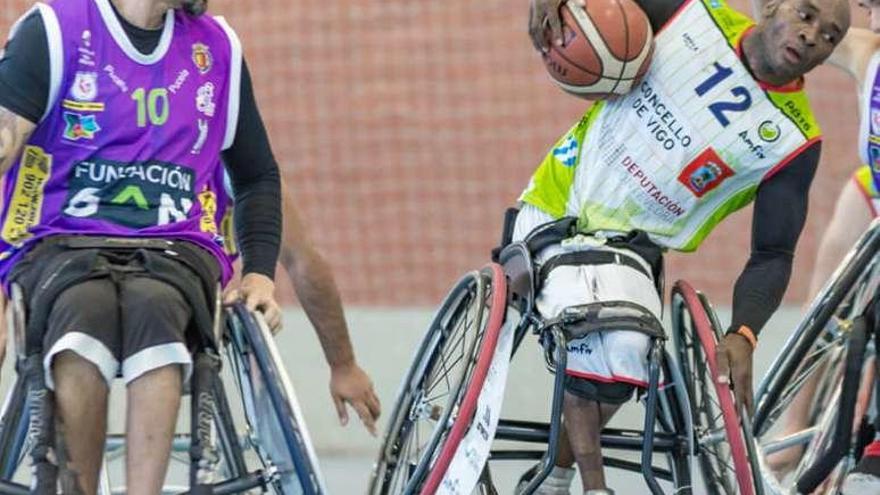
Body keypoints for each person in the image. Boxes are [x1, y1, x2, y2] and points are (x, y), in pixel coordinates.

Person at [0, 0, 377, 493]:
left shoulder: (216, 54)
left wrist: (267, 282)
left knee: (157, 306)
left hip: (176, 253)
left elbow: (296, 246)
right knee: (80, 306)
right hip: (62, 244)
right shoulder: (52, 31)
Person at [515, 0, 850, 493]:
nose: (813, 36)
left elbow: (773, 254)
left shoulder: (796, 141)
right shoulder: (691, 14)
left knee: (627, 345)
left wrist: (744, 332)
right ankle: (583, 483)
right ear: (771, 8)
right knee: (609, 334)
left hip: (632, 254)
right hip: (559, 201)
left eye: (830, 36)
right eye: (805, 15)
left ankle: (557, 475)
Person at [753, 0, 880, 491]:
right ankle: (795, 424)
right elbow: (792, 27)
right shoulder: (867, 53)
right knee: (823, 302)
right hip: (873, 196)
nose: (867, 15)